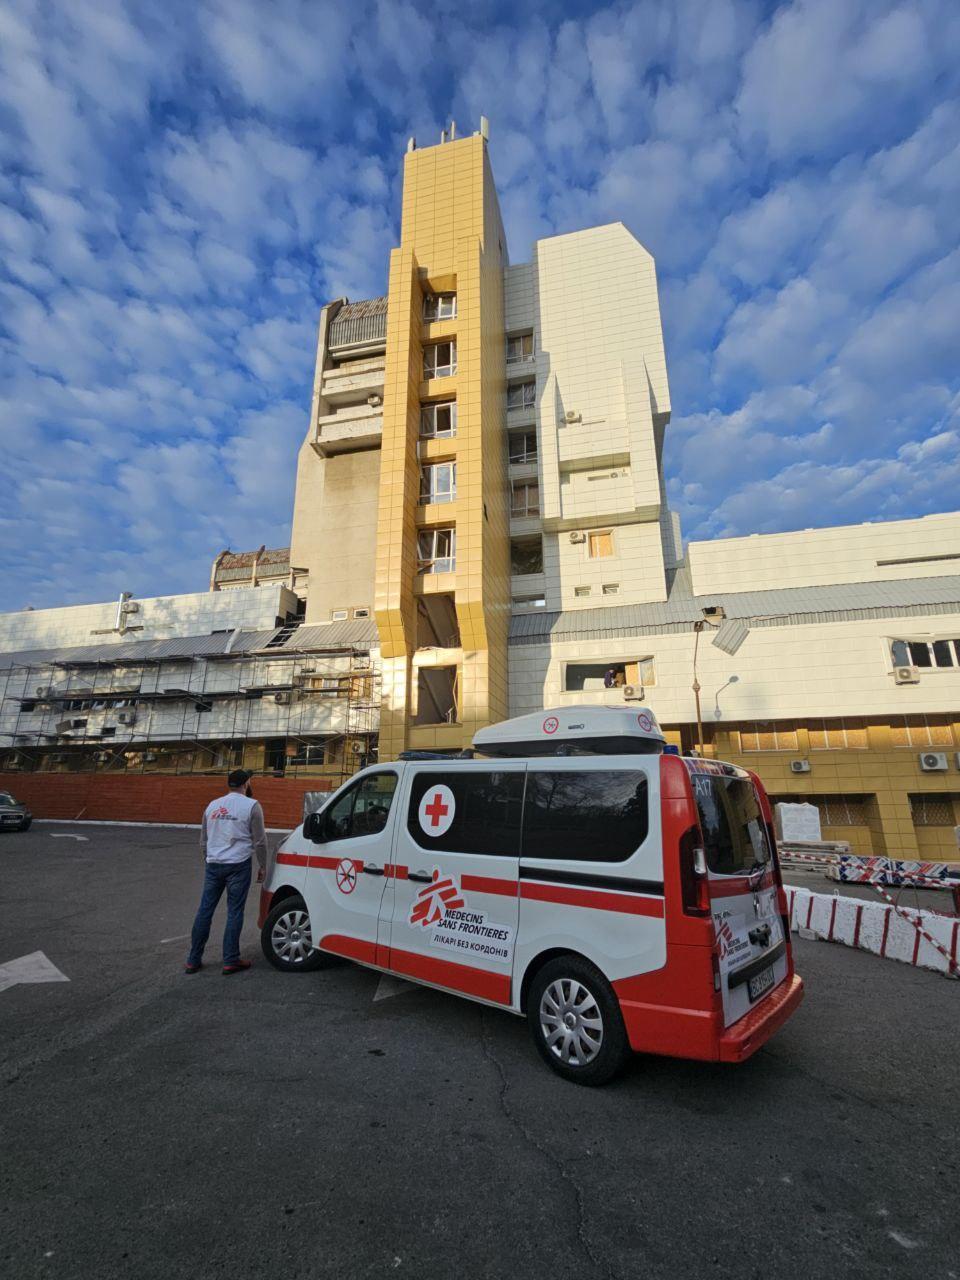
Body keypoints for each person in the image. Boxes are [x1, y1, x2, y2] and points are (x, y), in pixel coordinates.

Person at [185, 769, 269, 975]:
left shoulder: (212, 805)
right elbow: (260, 841)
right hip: (238, 865)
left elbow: (203, 840)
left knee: (205, 910)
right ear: (246, 783)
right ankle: (230, 959)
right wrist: (263, 865)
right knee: (234, 911)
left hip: (214, 864)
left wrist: (209, 858)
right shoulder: (252, 806)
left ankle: (193, 959)